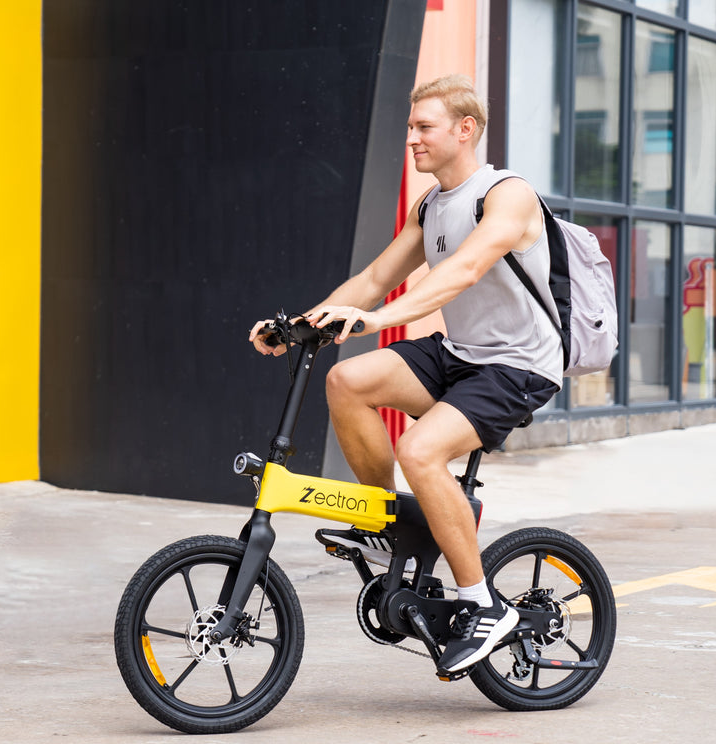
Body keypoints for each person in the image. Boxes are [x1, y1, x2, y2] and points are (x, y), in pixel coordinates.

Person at [248, 75, 561, 675]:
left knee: (419, 451)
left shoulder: (507, 195)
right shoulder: (432, 204)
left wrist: (377, 319)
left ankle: (482, 604)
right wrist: (302, 325)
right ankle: (384, 523)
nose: (411, 139)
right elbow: (372, 280)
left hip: (518, 366)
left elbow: (465, 270)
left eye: (424, 128)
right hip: (462, 353)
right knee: (347, 382)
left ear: (465, 130)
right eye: (410, 128)